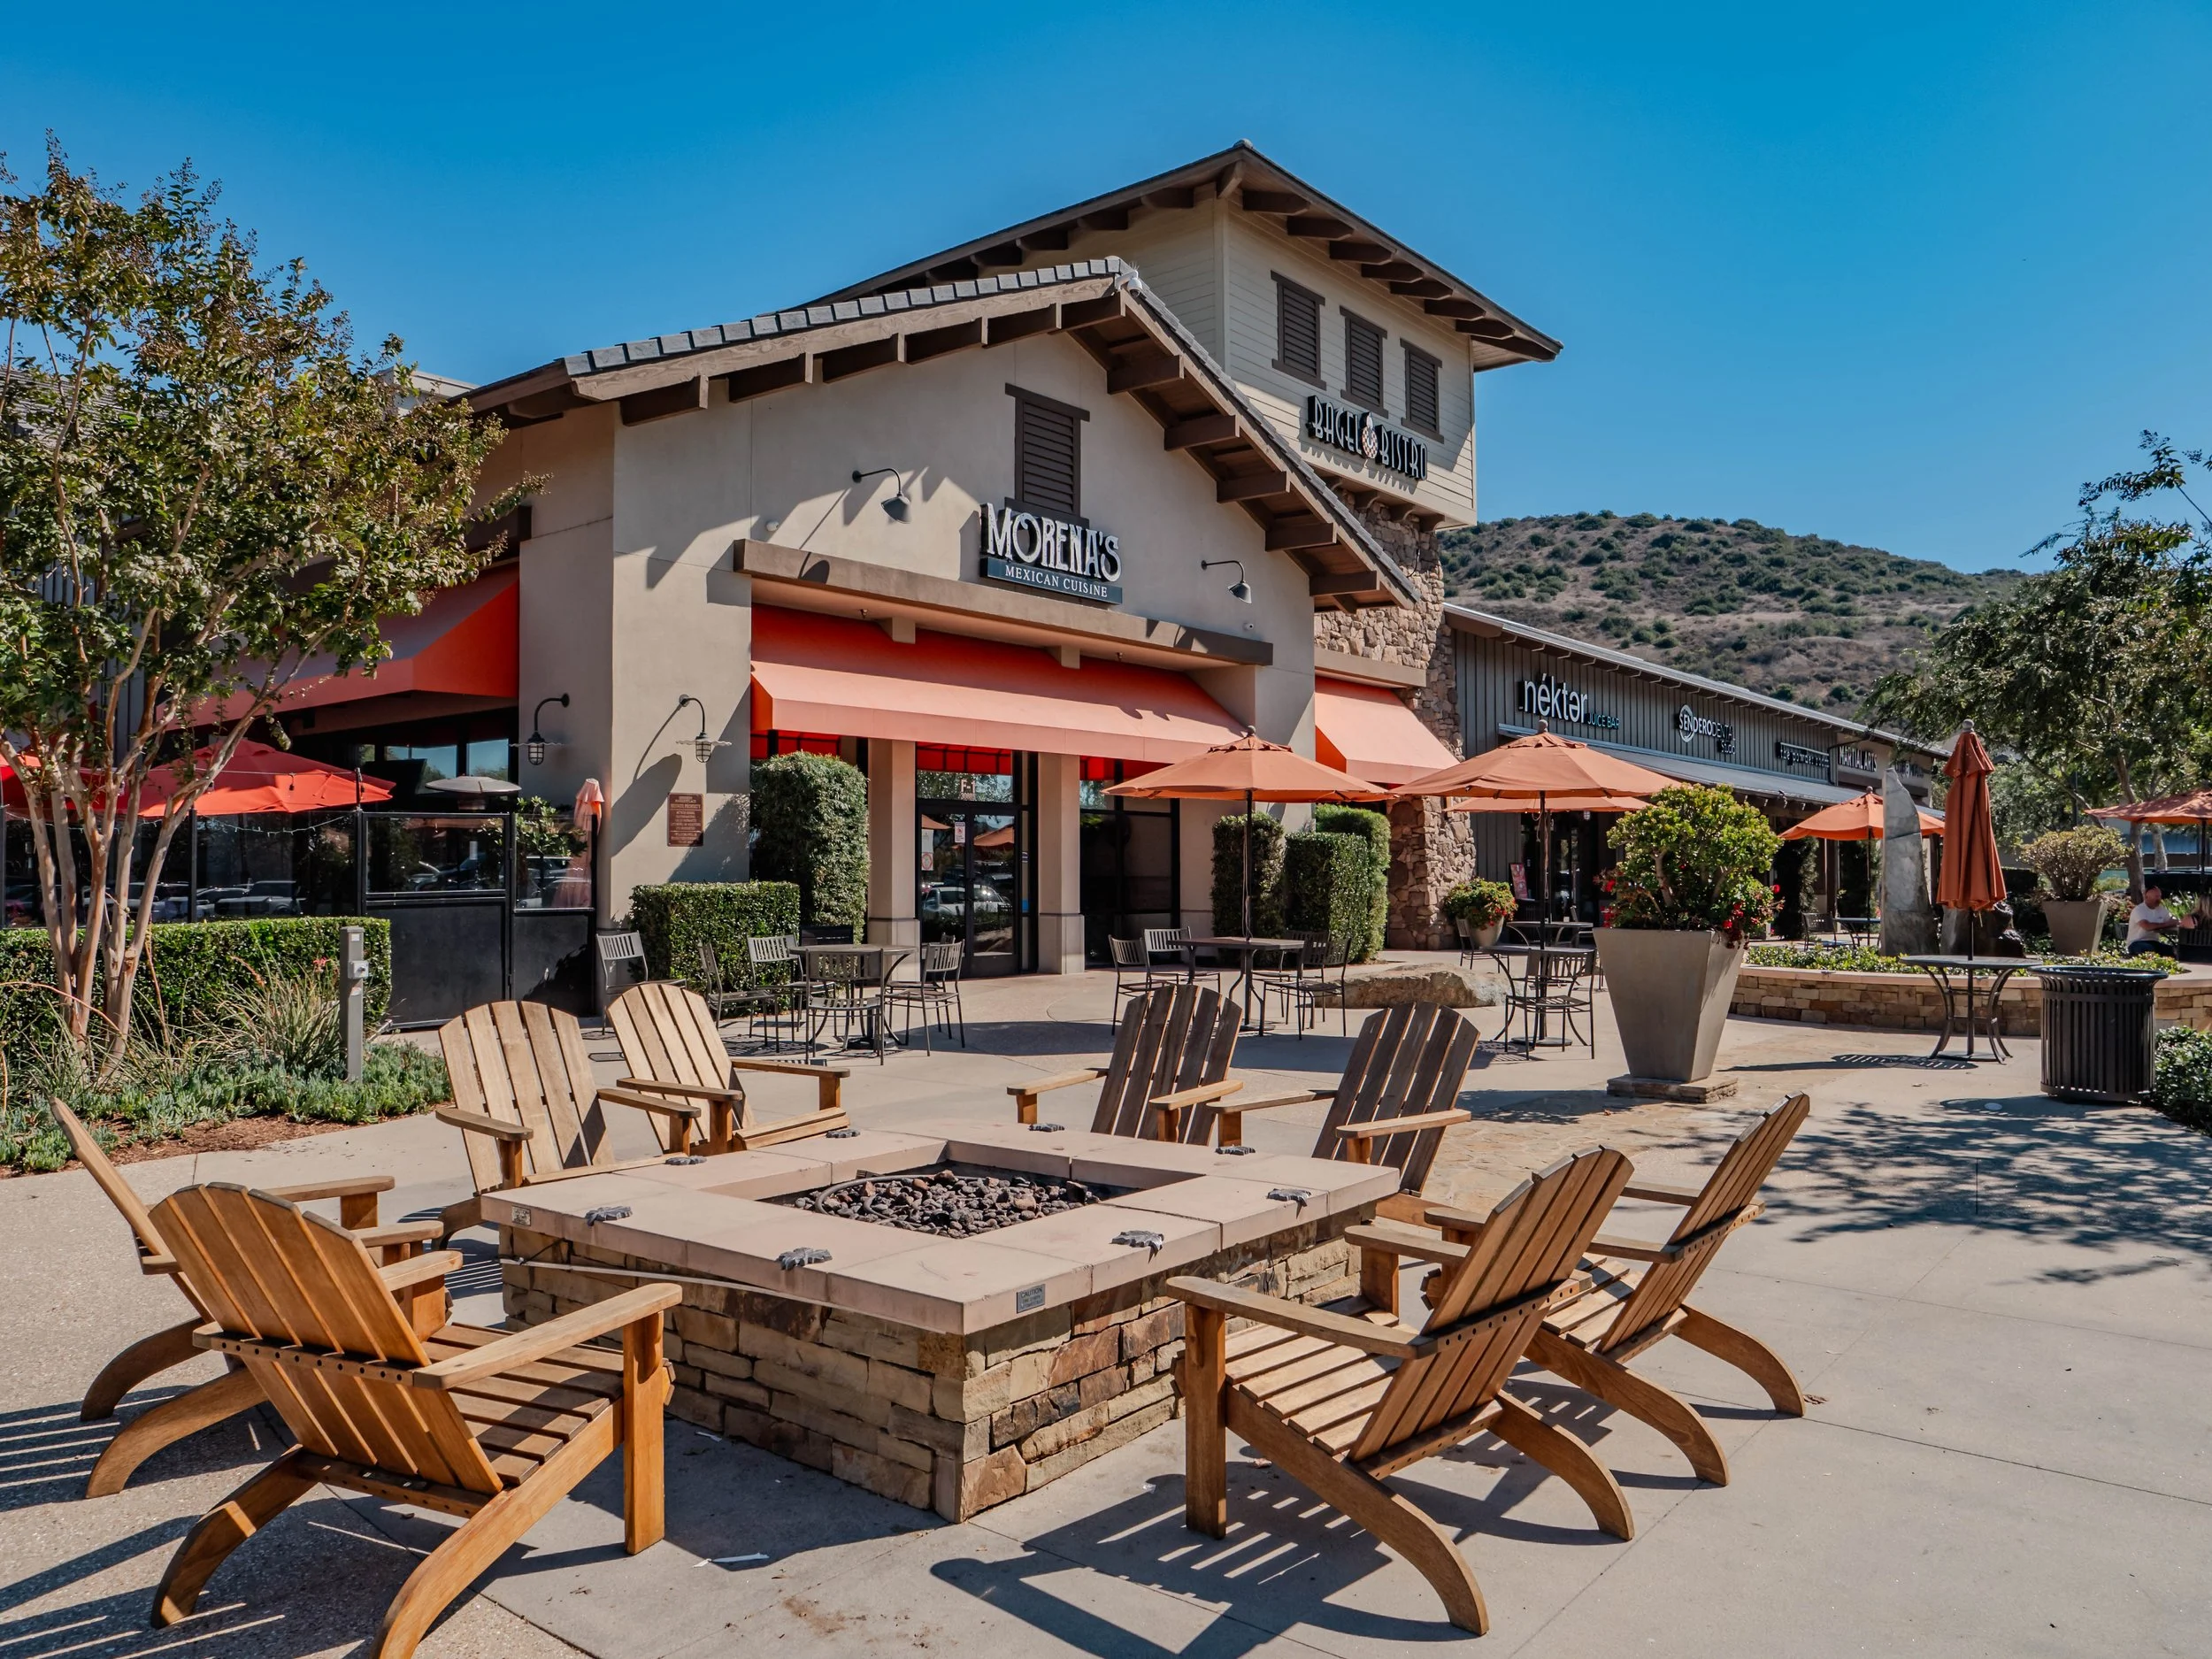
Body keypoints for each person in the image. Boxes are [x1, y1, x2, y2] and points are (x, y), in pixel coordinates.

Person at [2125, 884, 2193, 956]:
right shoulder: (2139, 910)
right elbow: (2147, 926)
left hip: (2153, 942)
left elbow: (2173, 919)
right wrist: (2167, 924)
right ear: (2146, 897)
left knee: (2172, 951)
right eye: (2156, 897)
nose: (2159, 899)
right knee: (2149, 949)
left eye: (2160, 896)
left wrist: (2177, 921)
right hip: (2136, 943)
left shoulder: (2161, 909)